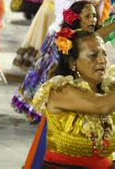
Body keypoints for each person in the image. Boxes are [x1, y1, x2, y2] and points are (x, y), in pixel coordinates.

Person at [12, 0, 115, 123]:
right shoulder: (69, 38)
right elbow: (98, 36)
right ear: (76, 19)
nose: (92, 19)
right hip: (53, 75)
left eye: (94, 16)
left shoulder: (84, 37)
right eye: (87, 16)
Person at [33, 30, 115, 168]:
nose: (103, 60)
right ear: (72, 62)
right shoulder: (60, 91)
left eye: (104, 54)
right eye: (93, 55)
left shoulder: (107, 90)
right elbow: (101, 105)